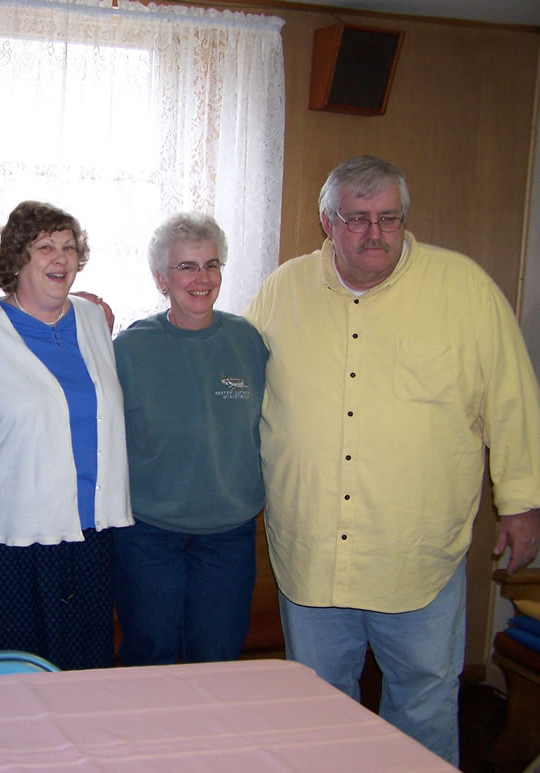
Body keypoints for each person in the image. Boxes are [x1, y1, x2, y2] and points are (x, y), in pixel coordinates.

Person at [245, 155, 540, 765]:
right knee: (318, 704)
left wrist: (522, 502)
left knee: (424, 701)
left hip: (417, 551)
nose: (375, 233)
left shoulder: (464, 289)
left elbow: (512, 398)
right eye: (357, 219)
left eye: (389, 217)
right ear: (327, 223)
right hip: (314, 547)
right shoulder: (282, 290)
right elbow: (234, 383)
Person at [0, 200, 132, 670]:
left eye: (68, 246)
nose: (60, 258)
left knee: (81, 671)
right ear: (17, 258)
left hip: (89, 532)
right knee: (11, 676)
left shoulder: (93, 320)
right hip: (6, 539)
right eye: (45, 247)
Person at [112, 213, 267, 666]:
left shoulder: (247, 341)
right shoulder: (130, 349)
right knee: (150, 653)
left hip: (227, 536)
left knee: (217, 658)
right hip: (149, 535)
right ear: (162, 279)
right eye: (186, 267)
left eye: (211, 265)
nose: (201, 278)